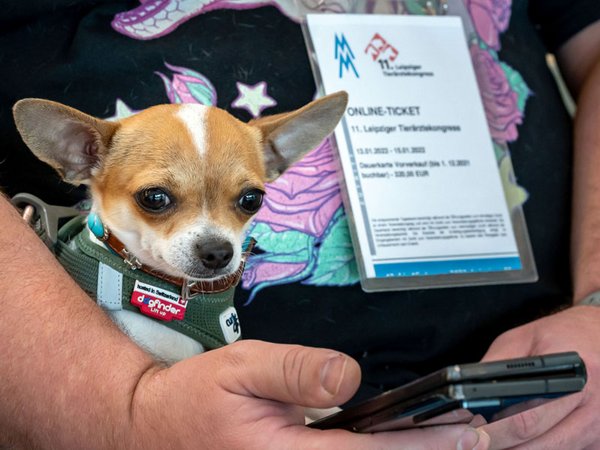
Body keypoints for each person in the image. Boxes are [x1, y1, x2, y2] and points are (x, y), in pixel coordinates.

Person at [0, 0, 599, 448]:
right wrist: (123, 411)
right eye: (159, 200)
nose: (214, 241)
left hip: (524, 378)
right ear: (81, 155)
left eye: (246, 203)